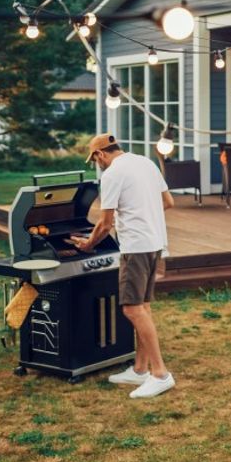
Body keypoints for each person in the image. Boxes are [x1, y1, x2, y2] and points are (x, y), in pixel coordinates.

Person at [70, 133, 176, 399]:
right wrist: (143, 214)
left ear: (99, 155)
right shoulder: (145, 162)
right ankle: (140, 369)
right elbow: (168, 202)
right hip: (154, 243)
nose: (98, 164)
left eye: (95, 160)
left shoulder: (112, 174)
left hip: (136, 247)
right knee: (143, 306)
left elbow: (105, 224)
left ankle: (160, 374)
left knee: (131, 309)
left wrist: (88, 245)